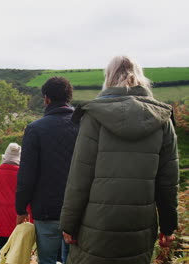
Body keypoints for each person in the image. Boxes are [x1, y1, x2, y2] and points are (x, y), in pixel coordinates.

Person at [60, 55, 179, 264]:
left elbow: (79, 178)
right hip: (139, 227)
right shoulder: (162, 119)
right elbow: (168, 183)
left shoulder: (94, 116)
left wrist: (68, 225)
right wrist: (168, 226)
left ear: (108, 78)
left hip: (96, 226)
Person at [16, 76, 79, 264]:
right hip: (78, 210)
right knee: (74, 259)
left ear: (46, 99)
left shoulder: (35, 129)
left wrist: (21, 208)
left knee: (48, 260)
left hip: (46, 210)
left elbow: (27, 173)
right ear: (69, 98)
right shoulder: (85, 125)